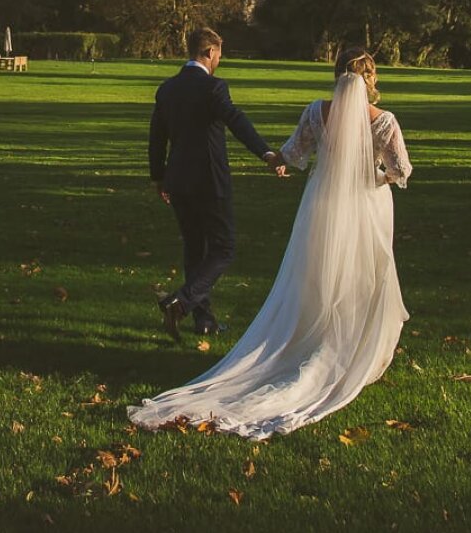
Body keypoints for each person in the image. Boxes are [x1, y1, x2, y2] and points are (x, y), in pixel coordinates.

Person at [130, 48, 414, 439]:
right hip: (366, 207)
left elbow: (294, 152)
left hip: (322, 205)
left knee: (315, 273)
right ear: (372, 78)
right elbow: (400, 170)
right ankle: (351, 350)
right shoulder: (385, 121)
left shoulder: (317, 111)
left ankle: (312, 337)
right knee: (362, 274)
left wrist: (273, 158)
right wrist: (373, 175)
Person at [147, 27, 288, 340]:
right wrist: (265, 153)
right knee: (224, 248)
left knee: (195, 248)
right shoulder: (213, 88)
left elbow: (157, 137)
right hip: (209, 180)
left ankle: (204, 320)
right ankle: (180, 303)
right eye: (219, 55)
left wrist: (158, 176)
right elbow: (236, 120)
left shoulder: (166, 89)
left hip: (178, 179)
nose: (219, 61)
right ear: (209, 52)